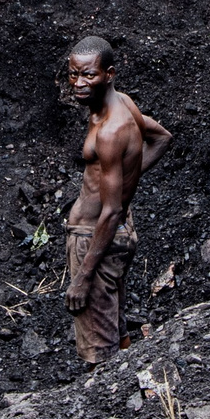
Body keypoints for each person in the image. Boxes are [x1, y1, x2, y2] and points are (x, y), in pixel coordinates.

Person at [62, 36, 171, 363]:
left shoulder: (110, 130)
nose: (78, 84)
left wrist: (82, 278)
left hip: (97, 236)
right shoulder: (122, 102)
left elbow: (110, 212)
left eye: (88, 75)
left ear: (109, 73)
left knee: (100, 350)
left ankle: (109, 404)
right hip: (113, 233)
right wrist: (127, 178)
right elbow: (162, 138)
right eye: (73, 74)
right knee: (115, 325)